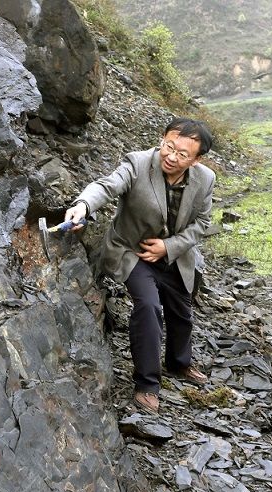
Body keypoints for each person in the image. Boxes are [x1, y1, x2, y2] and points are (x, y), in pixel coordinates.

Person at [64, 117, 215, 415]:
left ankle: (179, 363)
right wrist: (82, 205)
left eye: (182, 154)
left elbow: (202, 223)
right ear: (162, 138)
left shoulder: (205, 179)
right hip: (132, 250)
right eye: (168, 146)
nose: (171, 156)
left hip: (173, 254)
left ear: (196, 160)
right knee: (148, 306)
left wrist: (168, 247)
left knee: (182, 309)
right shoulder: (138, 163)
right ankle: (147, 384)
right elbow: (107, 186)